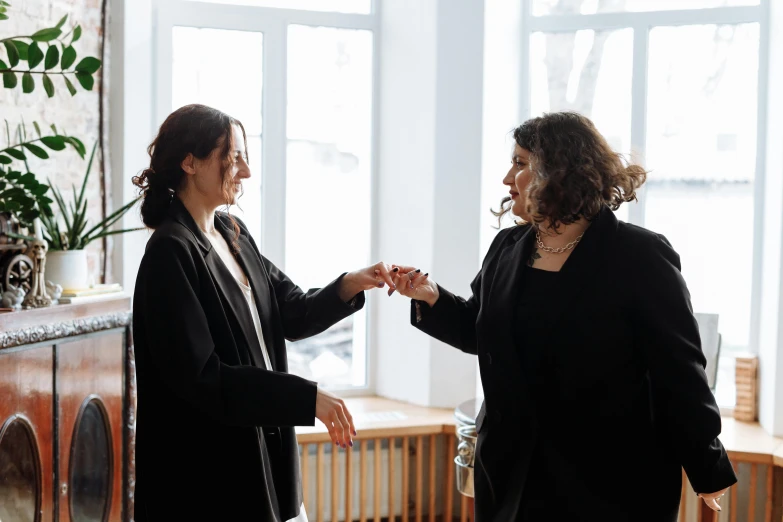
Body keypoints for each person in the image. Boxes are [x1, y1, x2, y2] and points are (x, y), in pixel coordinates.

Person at [391, 111, 737, 521]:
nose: (506, 178)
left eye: (519, 163)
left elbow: (680, 372)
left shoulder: (639, 256)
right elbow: (482, 332)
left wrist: (706, 463)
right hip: (508, 474)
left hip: (609, 483)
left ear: (559, 172)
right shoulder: (507, 247)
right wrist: (431, 297)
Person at [131, 104, 396, 521]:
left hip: (263, 455)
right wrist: (307, 397)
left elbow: (290, 312)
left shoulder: (233, 233)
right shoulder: (170, 252)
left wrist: (351, 284)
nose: (246, 173)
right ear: (190, 162)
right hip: (207, 476)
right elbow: (201, 377)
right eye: (233, 158)